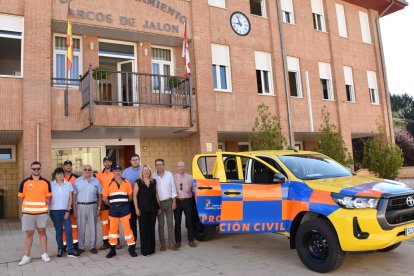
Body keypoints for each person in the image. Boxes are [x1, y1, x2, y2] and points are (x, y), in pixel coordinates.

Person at [17, 161, 52, 266]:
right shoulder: (25, 182)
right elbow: (21, 197)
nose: (36, 170)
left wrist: (47, 201)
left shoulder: (46, 182)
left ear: (40, 169)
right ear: (31, 169)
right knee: (29, 234)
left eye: (38, 168)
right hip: (28, 213)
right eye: (34, 169)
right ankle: (26, 256)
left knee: (42, 232)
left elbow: (48, 197)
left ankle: (44, 254)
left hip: (42, 212)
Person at [102, 165, 137, 258]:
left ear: (122, 172)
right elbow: (104, 198)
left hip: (125, 209)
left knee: (128, 230)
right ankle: (112, 250)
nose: (117, 173)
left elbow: (130, 197)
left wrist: (123, 203)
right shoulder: (108, 183)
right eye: (115, 171)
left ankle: (131, 248)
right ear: (113, 173)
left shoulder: (127, 183)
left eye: (119, 171)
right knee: (113, 230)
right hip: (113, 210)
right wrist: (112, 205)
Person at [49, 167, 80, 258]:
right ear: (55, 175)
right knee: (58, 231)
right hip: (54, 212)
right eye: (58, 174)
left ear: (63, 175)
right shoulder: (51, 185)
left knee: (68, 230)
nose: (60, 176)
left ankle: (70, 250)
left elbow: (70, 199)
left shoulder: (68, 184)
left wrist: (68, 210)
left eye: (61, 174)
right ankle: (60, 249)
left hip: (65, 211)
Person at [73, 164, 102, 254]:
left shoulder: (96, 181)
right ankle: (81, 247)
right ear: (83, 170)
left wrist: (99, 208)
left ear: (91, 171)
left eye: (89, 170)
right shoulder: (77, 181)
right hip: (80, 206)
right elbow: (74, 196)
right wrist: (74, 210)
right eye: (85, 169)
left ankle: (92, 246)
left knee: (93, 227)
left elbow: (100, 196)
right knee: (81, 227)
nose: (87, 171)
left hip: (92, 206)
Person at [133, 165, 160, 256]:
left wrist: (158, 206)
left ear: (150, 172)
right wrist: (136, 208)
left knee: (152, 229)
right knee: (144, 230)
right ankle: (145, 251)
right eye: (144, 170)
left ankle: (151, 249)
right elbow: (134, 197)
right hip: (142, 210)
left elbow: (156, 195)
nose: (146, 172)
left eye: (148, 170)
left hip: (153, 209)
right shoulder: (138, 182)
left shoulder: (154, 182)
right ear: (142, 172)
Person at [152, 158, 178, 251]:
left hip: (169, 201)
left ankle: (172, 243)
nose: (159, 166)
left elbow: (173, 188)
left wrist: (174, 201)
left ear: (164, 165)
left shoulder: (169, 174)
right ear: (155, 166)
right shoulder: (153, 176)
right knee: (161, 224)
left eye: (161, 164)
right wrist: (156, 205)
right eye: (157, 164)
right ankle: (163, 245)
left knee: (170, 223)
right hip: (159, 204)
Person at [173, 161, 196, 248]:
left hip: (188, 201)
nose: (180, 168)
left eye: (182, 166)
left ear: (184, 167)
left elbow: (193, 190)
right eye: (179, 166)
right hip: (177, 201)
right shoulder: (173, 177)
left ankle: (191, 240)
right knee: (177, 222)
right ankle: (177, 242)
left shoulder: (190, 177)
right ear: (177, 167)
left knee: (189, 221)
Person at [122, 154, 142, 244]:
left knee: (143, 222)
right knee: (132, 222)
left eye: (136, 159)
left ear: (139, 160)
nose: (135, 161)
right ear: (130, 161)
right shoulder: (125, 172)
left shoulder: (144, 170)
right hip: (130, 200)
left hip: (142, 200)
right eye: (133, 160)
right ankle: (133, 242)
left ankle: (144, 242)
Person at [96, 157, 114, 250]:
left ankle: (115, 240)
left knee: (114, 221)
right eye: (105, 162)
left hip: (113, 199)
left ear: (111, 163)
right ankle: (105, 242)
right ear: (103, 163)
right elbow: (98, 189)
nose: (107, 163)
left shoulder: (115, 172)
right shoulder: (99, 174)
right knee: (104, 222)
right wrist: (99, 202)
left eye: (108, 162)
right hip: (103, 200)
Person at [62, 160, 79, 251]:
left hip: (74, 204)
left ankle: (75, 243)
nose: (68, 167)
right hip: (63, 205)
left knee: (74, 225)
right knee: (64, 226)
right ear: (64, 167)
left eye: (70, 165)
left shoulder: (76, 178)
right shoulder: (60, 177)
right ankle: (64, 244)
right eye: (66, 165)